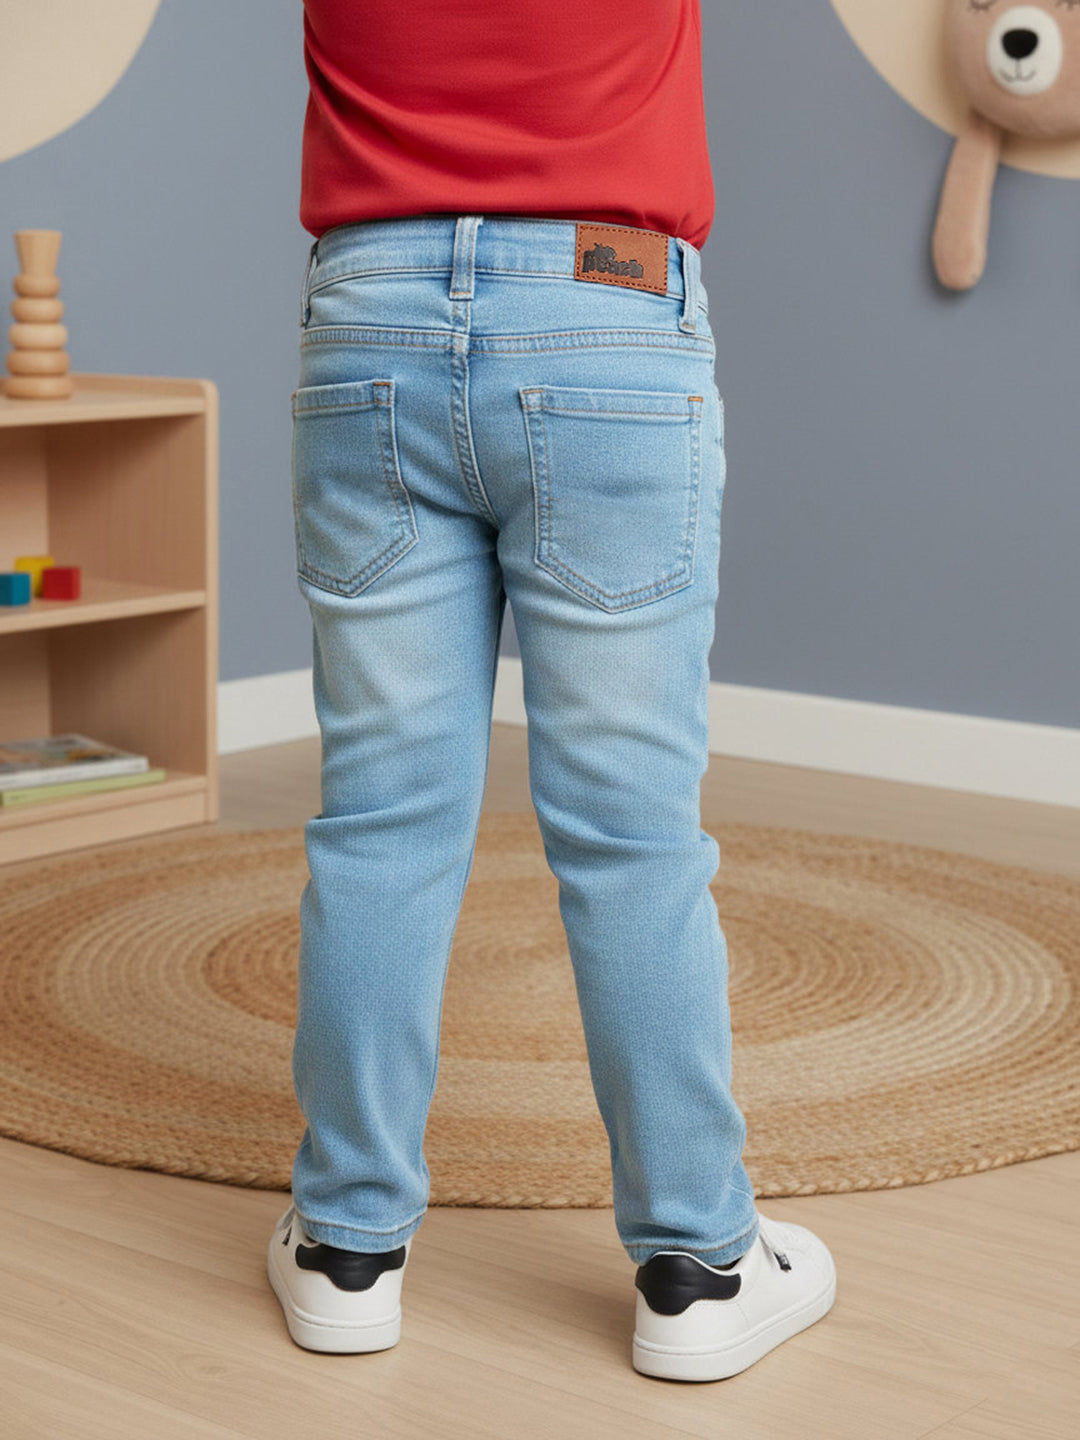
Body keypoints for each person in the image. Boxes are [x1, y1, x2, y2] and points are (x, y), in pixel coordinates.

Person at [266, 0, 836, 1381]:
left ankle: (346, 1249)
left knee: (381, 824)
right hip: (606, 304)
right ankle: (698, 1269)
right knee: (631, 835)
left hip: (371, 315)